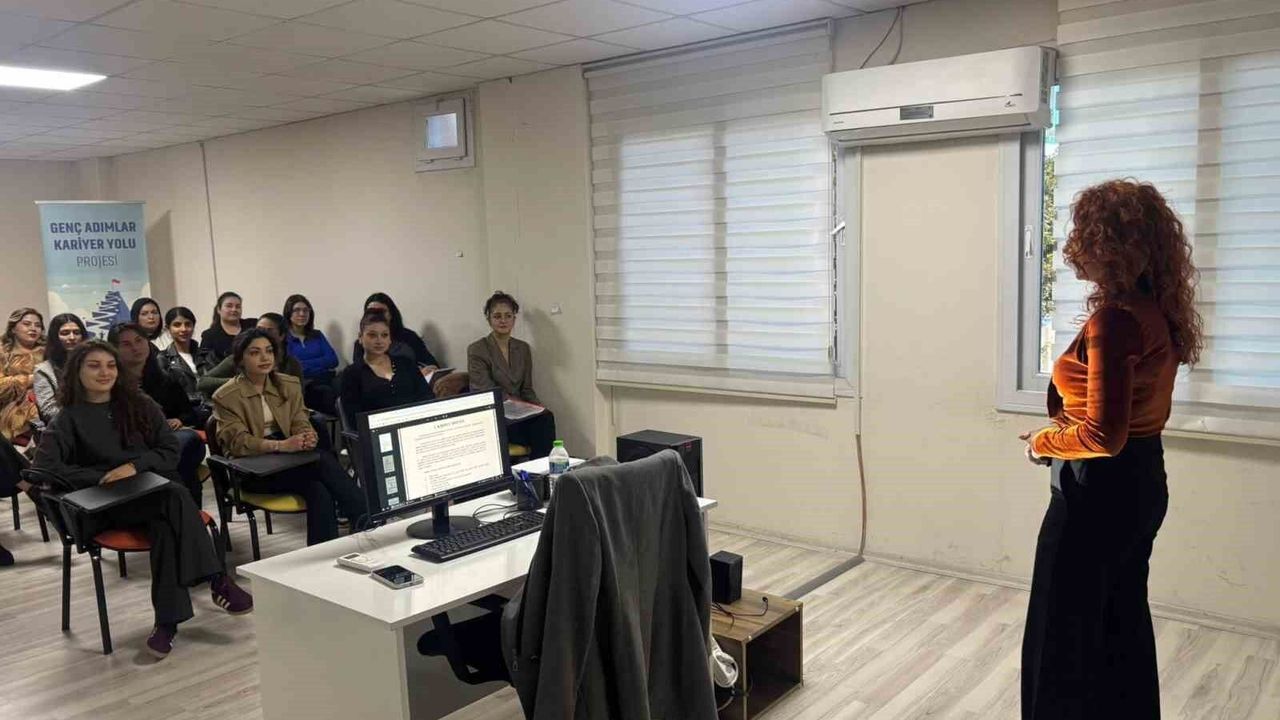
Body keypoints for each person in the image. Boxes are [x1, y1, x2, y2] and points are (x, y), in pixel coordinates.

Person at [1019, 180, 1201, 720]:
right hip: (1142, 482)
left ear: (1115, 245)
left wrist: (1042, 443)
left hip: (1096, 493)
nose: (1076, 247)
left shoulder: (1116, 321)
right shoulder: (1153, 314)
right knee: (1120, 629)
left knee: (1059, 638)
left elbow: (1103, 435)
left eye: (1087, 235)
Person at [31, 340, 252, 658]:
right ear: (77, 372)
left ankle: (167, 623)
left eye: (110, 365)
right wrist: (102, 476)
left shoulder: (140, 404)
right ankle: (216, 578)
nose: (104, 372)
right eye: (94, 366)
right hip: (105, 504)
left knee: (165, 524)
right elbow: (44, 469)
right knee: (174, 495)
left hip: (151, 493)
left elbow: (170, 449)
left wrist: (133, 468)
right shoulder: (68, 418)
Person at [211, 329, 365, 544]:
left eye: (269, 351)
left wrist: (306, 434)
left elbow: (300, 419)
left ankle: (322, 554)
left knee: (319, 490)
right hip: (251, 469)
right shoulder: (225, 396)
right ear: (240, 359)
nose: (264, 357)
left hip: (290, 462)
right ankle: (365, 517)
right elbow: (238, 443)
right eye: (255, 352)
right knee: (321, 461)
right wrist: (282, 445)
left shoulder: (288, 384)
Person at [110, 323, 207, 506]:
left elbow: (190, 414)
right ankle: (187, 512)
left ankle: (183, 510)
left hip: (168, 442)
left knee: (188, 442)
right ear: (114, 349)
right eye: (126, 344)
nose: (135, 348)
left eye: (139, 340)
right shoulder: (110, 384)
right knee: (182, 457)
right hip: (134, 449)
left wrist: (179, 420)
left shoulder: (166, 379)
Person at [467, 292, 555, 457]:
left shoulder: (523, 348)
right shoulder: (477, 349)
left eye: (508, 316)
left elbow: (527, 388)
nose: (503, 321)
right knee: (533, 431)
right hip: (494, 412)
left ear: (514, 318)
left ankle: (542, 468)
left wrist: (538, 408)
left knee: (546, 418)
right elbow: (484, 390)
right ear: (489, 319)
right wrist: (515, 405)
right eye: (497, 316)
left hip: (520, 412)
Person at [339, 311, 432, 428]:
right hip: (376, 432)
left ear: (390, 339)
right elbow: (354, 420)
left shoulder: (406, 364)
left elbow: (427, 397)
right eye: (372, 335)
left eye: (384, 335)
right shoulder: (352, 373)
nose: (379, 341)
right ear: (360, 337)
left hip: (415, 427)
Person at [199, 314, 303, 399]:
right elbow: (203, 382)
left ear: (281, 336)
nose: (262, 334)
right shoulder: (240, 358)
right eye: (259, 329)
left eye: (269, 330)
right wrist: (238, 382)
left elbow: (298, 395)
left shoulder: (292, 364)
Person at [351, 292, 439, 371]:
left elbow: (431, 364)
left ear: (391, 314)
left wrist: (428, 371)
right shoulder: (361, 344)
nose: (377, 316)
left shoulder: (409, 337)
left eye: (381, 312)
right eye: (371, 312)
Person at [283, 294, 339, 414]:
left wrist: (304, 364)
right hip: (303, 384)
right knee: (326, 393)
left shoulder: (317, 335)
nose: (302, 314)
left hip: (326, 378)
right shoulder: (284, 339)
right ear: (289, 313)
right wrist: (321, 363)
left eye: (305, 310)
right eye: (297, 310)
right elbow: (291, 367)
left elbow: (333, 360)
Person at [33, 313, 88, 424]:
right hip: (65, 427)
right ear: (55, 337)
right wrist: (86, 415)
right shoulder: (44, 370)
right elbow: (49, 411)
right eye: (65, 333)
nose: (72, 337)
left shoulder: (92, 363)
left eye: (76, 332)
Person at [1, 308, 45, 444]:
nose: (33, 328)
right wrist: (32, 379)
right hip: (12, 419)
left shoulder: (49, 351)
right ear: (13, 328)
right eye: (27, 324)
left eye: (38, 325)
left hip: (47, 414)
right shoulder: (3, 353)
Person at [157, 307, 203, 398]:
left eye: (188, 324)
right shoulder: (163, 359)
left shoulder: (207, 355)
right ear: (168, 329)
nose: (183, 329)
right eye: (177, 325)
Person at [199, 292, 251, 368]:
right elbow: (204, 365)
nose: (234, 309)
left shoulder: (252, 325)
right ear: (219, 309)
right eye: (229, 306)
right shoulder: (209, 335)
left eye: (238, 306)